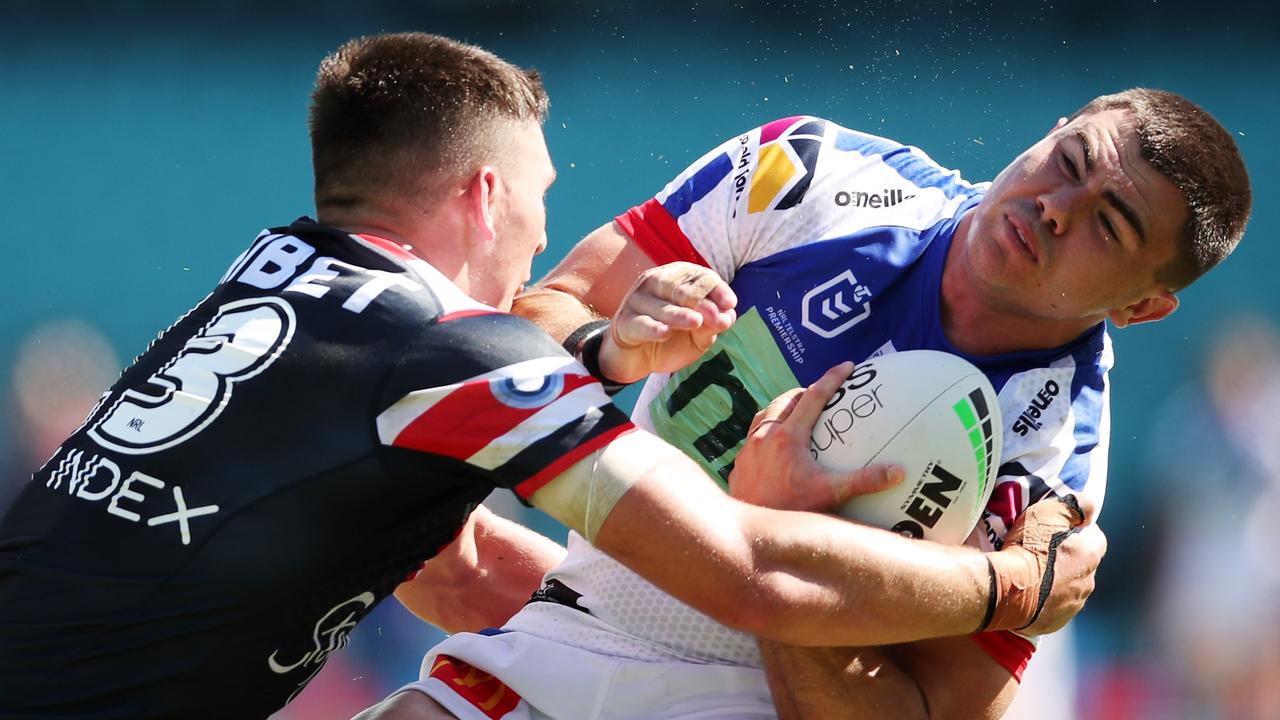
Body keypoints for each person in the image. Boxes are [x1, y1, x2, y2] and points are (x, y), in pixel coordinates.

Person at [0, 33, 1102, 720]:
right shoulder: (445, 349)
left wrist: (606, 357)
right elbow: (747, 576)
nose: (540, 236)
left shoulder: (269, 275)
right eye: (537, 195)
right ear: (484, 195)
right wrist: (1010, 589)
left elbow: (454, 561)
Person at [394, 88, 1250, 719]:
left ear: (1143, 307)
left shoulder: (1050, 471)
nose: (1056, 210)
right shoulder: (806, 176)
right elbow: (552, 307)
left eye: (1111, 225)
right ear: (1058, 125)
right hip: (572, 628)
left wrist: (779, 541)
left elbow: (930, 713)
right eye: (1069, 163)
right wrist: (605, 346)